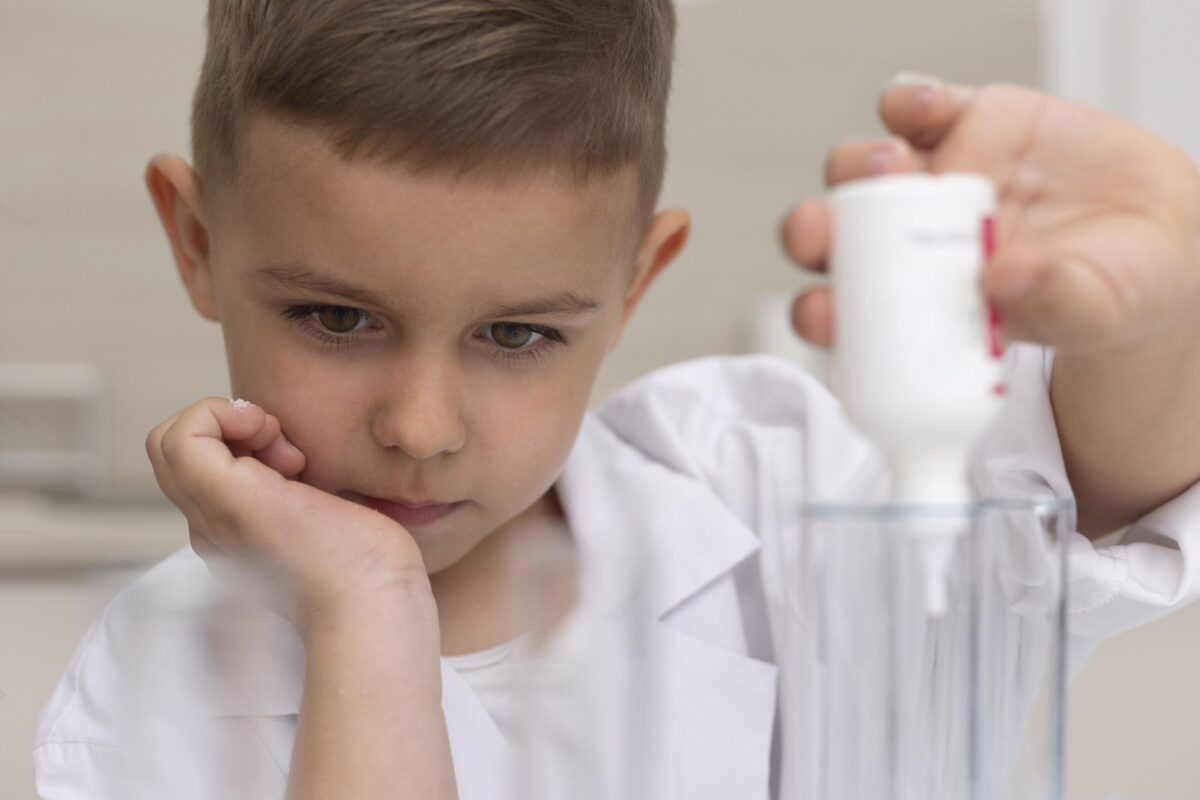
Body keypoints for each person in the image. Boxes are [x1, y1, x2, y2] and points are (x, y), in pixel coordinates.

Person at [33, 2, 1200, 798]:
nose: (421, 426)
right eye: (337, 318)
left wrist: (1164, 285)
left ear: (635, 281)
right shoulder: (151, 678)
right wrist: (366, 608)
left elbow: (1106, 489)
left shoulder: (764, 482)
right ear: (196, 238)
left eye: (518, 333)